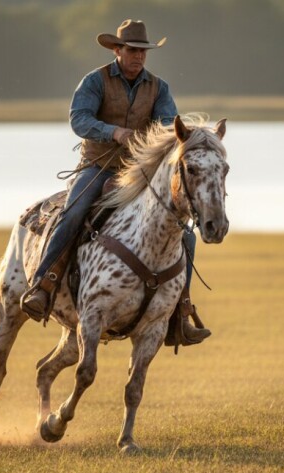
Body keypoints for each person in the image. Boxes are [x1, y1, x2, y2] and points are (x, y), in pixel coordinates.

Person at [20, 19, 210, 347]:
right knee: (75, 211)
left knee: (186, 234)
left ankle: (180, 312)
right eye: (133, 50)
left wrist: (162, 139)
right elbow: (78, 118)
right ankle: (43, 286)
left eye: (143, 52)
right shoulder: (95, 81)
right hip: (96, 167)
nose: (139, 57)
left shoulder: (158, 87)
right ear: (118, 50)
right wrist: (114, 132)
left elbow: (168, 124)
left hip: (138, 173)